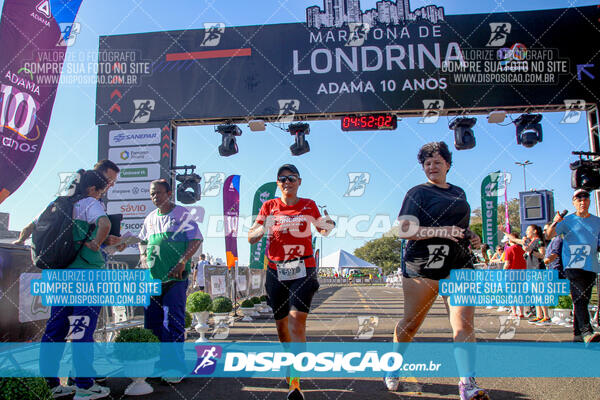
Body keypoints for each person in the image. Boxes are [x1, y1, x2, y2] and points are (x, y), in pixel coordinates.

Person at [390, 142, 488, 400]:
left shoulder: (459, 192)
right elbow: (404, 231)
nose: (432, 167)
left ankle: (468, 384)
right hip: (424, 265)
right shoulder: (417, 193)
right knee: (411, 324)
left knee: (464, 325)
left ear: (448, 164)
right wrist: (441, 231)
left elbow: (459, 228)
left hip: (459, 264)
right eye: (427, 163)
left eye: (437, 162)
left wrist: (472, 236)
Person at [248, 164, 335, 400]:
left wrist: (329, 223)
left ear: (299, 181)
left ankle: (295, 384)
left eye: (291, 178)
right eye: (282, 179)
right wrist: (262, 228)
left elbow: (324, 231)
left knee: (297, 323)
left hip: (303, 269)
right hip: (276, 271)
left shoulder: (308, 205)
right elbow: (250, 237)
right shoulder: (269, 206)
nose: (287, 182)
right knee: (281, 328)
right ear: (278, 184)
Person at [39, 170, 112, 399]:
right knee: (81, 329)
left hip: (60, 274)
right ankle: (84, 385)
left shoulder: (58, 203)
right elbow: (105, 223)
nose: (100, 196)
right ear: (92, 189)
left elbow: (30, 229)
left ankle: (50, 384)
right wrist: (95, 243)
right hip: (86, 275)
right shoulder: (90, 203)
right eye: (101, 192)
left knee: (55, 328)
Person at [138, 179, 202, 382]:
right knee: (153, 323)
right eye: (152, 194)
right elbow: (142, 241)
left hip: (175, 278)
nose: (155, 197)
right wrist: (143, 258)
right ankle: (158, 364)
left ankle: (175, 366)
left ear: (169, 193)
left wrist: (183, 262)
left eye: (158, 192)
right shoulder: (149, 218)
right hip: (153, 279)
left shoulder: (181, 213)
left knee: (172, 321)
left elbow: (196, 239)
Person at [13, 160, 121, 246]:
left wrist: (20, 241)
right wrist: (97, 243)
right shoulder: (91, 203)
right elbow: (104, 225)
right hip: (85, 264)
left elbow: (31, 225)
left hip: (61, 265)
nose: (111, 185)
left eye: (113, 182)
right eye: (109, 180)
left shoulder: (60, 202)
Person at [548, 189, 600, 343]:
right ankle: (586, 331)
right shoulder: (567, 220)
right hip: (574, 261)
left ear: (589, 201)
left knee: (584, 299)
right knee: (580, 298)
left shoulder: (597, 221)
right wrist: (556, 221)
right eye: (578, 200)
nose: (582, 202)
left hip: (591, 262)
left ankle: (578, 334)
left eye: (585, 199)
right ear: (573, 202)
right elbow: (549, 235)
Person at [504, 225, 550, 324]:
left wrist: (531, 251)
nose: (526, 232)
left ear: (534, 231)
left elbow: (542, 255)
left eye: (528, 230)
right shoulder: (529, 242)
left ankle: (546, 316)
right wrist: (505, 232)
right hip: (530, 270)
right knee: (535, 293)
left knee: (540, 293)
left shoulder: (539, 241)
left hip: (538, 270)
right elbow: (515, 240)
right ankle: (539, 315)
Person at [503, 236, 527, 318]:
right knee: (520, 293)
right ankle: (521, 312)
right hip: (522, 273)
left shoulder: (508, 249)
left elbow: (507, 264)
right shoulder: (523, 249)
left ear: (511, 240)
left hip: (511, 273)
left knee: (511, 293)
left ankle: (514, 312)